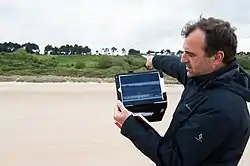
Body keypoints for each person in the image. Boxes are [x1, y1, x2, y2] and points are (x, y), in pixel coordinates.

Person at [113, 16, 250, 166]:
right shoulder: (203, 75)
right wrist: (154, 60)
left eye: (190, 54)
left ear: (217, 58)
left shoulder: (223, 109)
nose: (183, 59)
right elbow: (174, 65)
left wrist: (131, 125)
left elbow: (174, 160)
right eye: (184, 52)